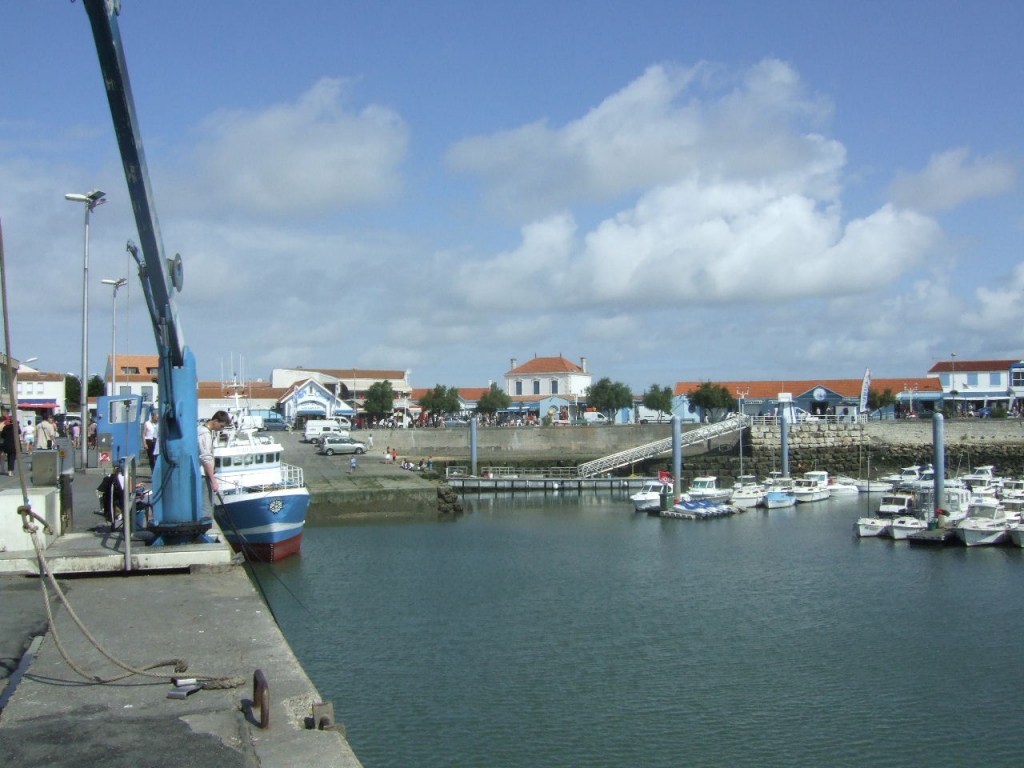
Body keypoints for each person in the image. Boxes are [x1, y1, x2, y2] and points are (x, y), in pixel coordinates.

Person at [198, 411, 231, 515]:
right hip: (203, 474)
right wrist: (213, 480)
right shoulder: (204, 434)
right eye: (221, 426)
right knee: (206, 506)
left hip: (203, 474)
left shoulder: (201, 430)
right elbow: (205, 457)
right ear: (215, 421)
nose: (221, 429)